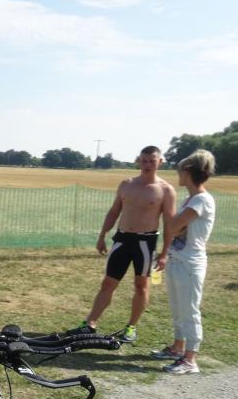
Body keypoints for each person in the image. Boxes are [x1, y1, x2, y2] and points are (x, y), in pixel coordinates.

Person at [68, 145, 176, 342]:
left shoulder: (166, 190)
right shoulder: (126, 184)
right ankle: (90, 324)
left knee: (141, 286)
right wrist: (102, 235)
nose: (147, 165)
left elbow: (170, 224)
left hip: (145, 242)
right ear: (138, 161)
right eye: (144, 160)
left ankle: (131, 327)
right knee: (108, 283)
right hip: (122, 239)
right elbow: (114, 211)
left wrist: (164, 253)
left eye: (152, 161)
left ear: (160, 162)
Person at [150, 149, 216, 374]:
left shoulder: (201, 200)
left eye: (180, 171)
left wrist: (175, 226)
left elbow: (172, 227)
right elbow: (176, 228)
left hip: (190, 264)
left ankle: (190, 359)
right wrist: (176, 228)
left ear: (187, 172)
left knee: (190, 311)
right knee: (177, 309)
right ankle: (177, 348)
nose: (178, 175)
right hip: (177, 260)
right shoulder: (191, 200)